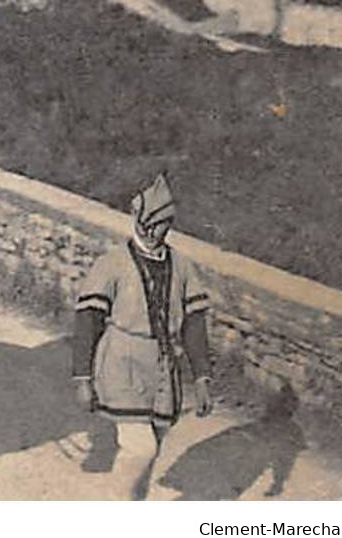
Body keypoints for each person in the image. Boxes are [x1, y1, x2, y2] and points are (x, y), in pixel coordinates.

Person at [74, 172, 213, 500]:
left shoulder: (182, 266)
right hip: (122, 362)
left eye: (163, 224)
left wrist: (203, 377)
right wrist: (82, 377)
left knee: (152, 447)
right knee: (141, 449)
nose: (154, 231)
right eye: (150, 223)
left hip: (164, 369)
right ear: (138, 220)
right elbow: (87, 319)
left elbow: (194, 322)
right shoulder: (112, 263)